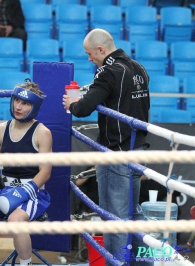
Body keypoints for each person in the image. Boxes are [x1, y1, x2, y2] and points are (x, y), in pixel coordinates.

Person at [62, 28, 151, 265]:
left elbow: (82, 109)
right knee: (134, 213)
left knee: (115, 217)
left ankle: (117, 263)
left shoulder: (108, 71)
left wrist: (71, 103)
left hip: (116, 152)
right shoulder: (139, 68)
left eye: (90, 54)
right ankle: (145, 263)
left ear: (101, 49)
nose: (89, 59)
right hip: (138, 149)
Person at [0, 80, 53, 266]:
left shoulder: (42, 133)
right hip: (3, 189)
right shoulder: (0, 130)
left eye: (25, 103)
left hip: (33, 193)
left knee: (15, 221)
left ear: (34, 107)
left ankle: (26, 264)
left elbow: (46, 172)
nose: (19, 106)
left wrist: (25, 190)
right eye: (17, 100)